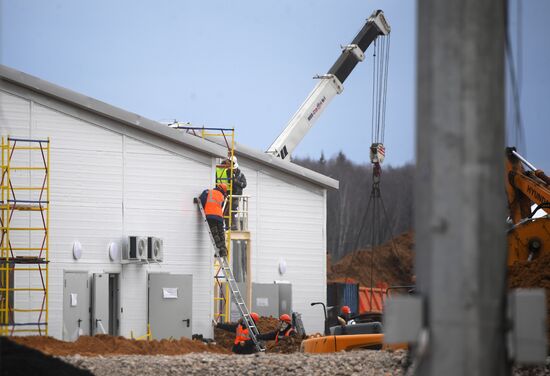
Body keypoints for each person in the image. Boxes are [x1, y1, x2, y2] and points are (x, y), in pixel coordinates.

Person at [199, 183, 228, 257]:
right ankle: (223, 250)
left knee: (215, 234)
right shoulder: (222, 196)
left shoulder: (208, 192)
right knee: (221, 234)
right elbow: (220, 206)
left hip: (211, 216)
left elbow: (202, 200)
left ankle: (219, 250)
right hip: (220, 217)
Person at [228, 157, 247, 230]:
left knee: (233, 209)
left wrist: (236, 182)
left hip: (236, 195)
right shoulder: (228, 172)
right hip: (229, 195)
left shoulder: (241, 175)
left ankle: (234, 225)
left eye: (234, 169)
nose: (234, 170)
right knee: (229, 210)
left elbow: (244, 184)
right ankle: (231, 225)